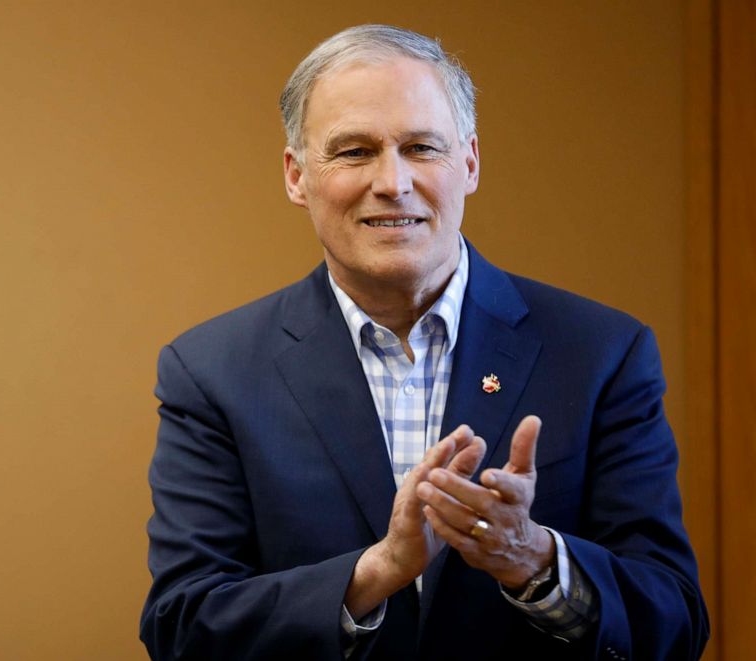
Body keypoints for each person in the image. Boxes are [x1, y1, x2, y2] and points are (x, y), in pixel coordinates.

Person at [140, 24, 708, 660]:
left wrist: (534, 561)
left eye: (421, 147)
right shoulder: (212, 371)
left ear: (468, 163)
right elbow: (182, 628)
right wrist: (378, 571)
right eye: (354, 151)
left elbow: (674, 623)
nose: (393, 182)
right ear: (297, 176)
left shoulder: (602, 353)